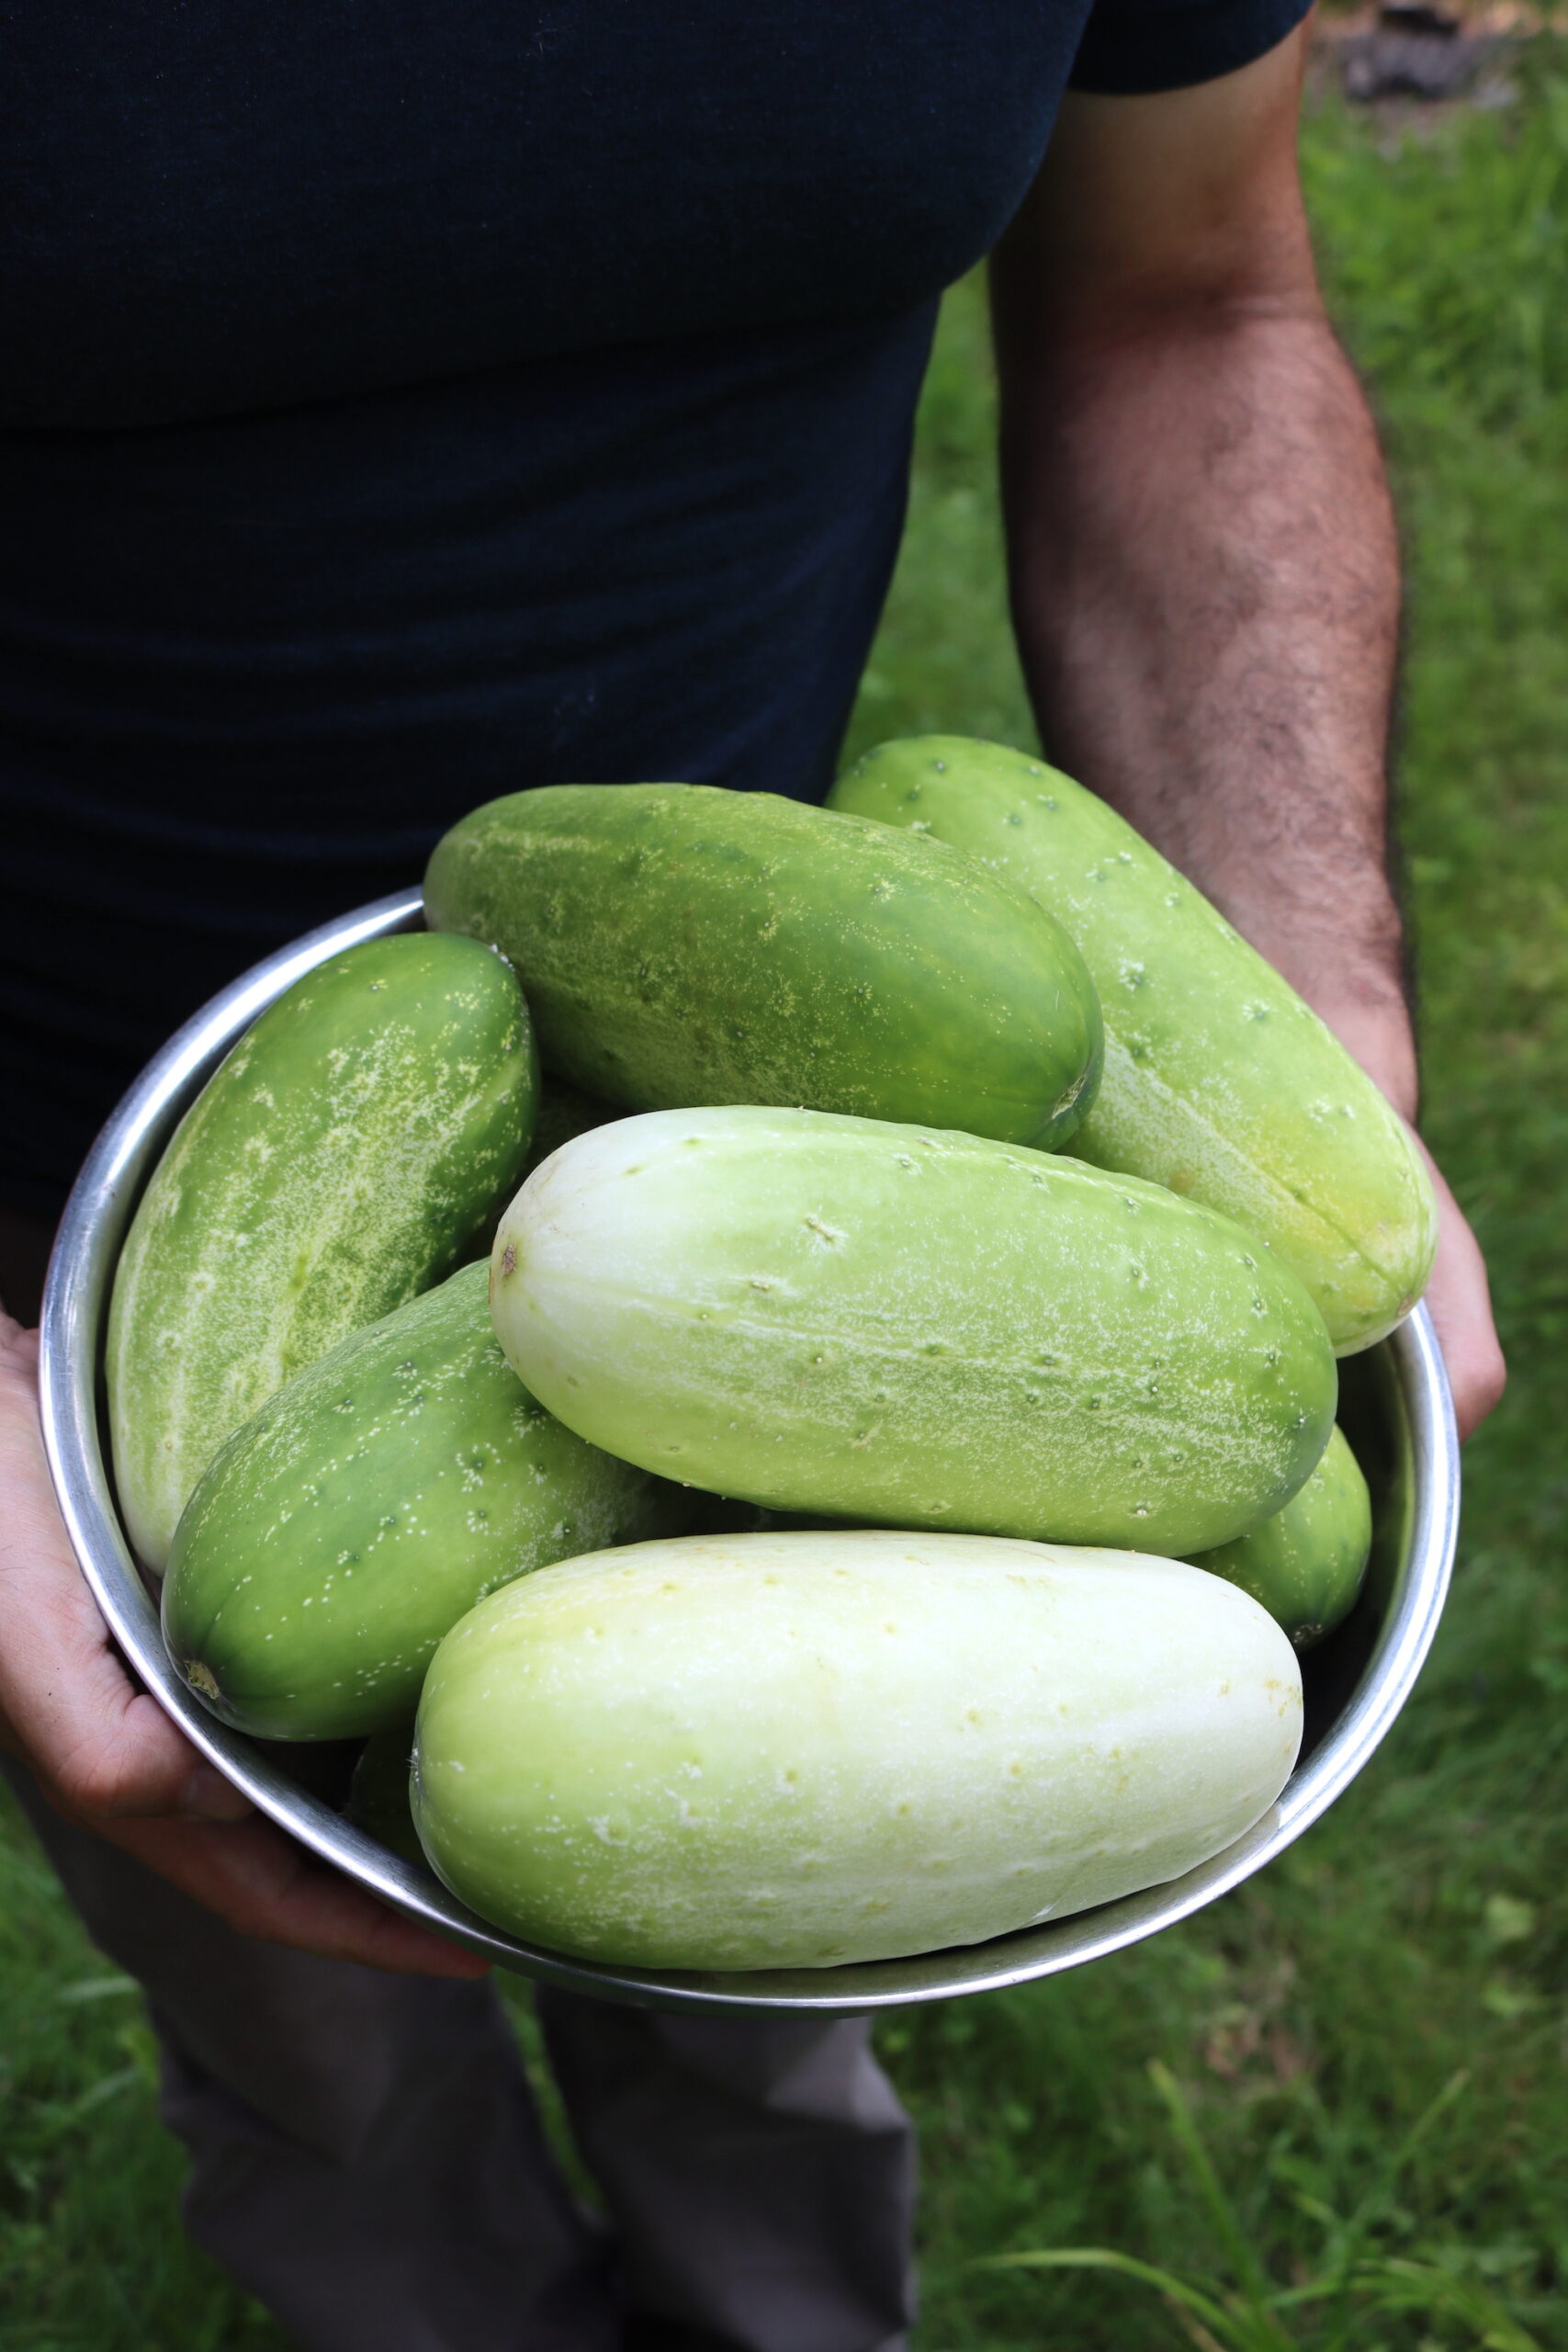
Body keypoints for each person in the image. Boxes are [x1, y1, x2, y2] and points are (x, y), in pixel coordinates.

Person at [0, 4, 1506, 2347]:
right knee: (313, 2052)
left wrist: (1310, 997)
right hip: (75, 1278)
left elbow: (1193, 290)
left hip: (835, 1114)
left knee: (775, 1995)